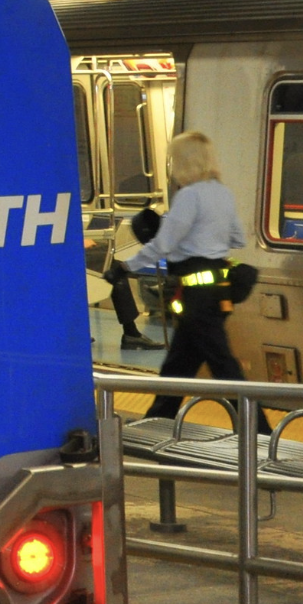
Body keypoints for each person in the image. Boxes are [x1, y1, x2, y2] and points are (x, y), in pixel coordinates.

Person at [112, 131, 248, 419]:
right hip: (218, 291)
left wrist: (126, 267)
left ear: (185, 161)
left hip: (195, 295)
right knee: (178, 365)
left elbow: (163, 244)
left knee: (224, 367)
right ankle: (157, 420)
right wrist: (209, 237)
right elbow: (238, 238)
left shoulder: (189, 196)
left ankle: (259, 431)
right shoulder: (223, 193)